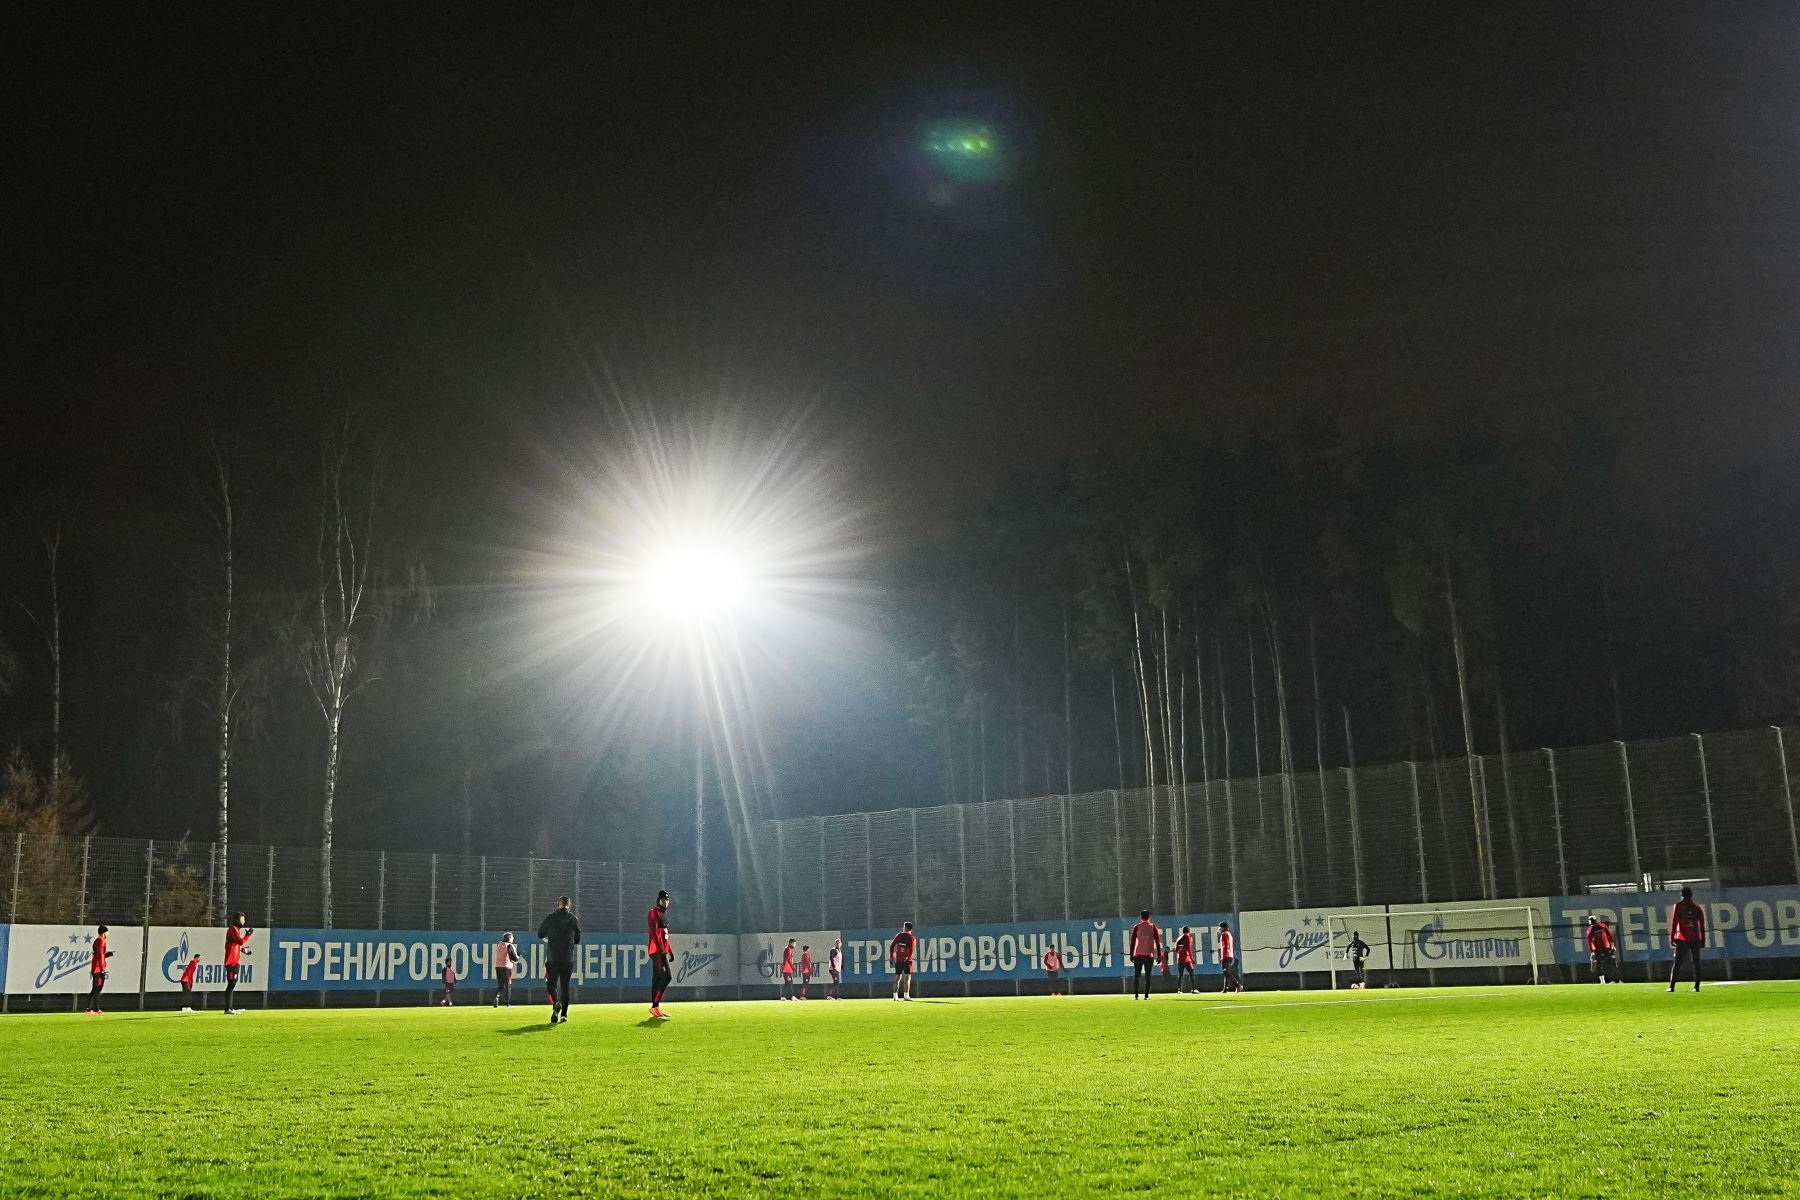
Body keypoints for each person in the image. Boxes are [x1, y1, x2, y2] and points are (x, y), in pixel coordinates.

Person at [538, 895, 581, 1024]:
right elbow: (577, 940)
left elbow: (540, 934)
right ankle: (564, 1015)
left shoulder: (551, 918)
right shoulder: (574, 919)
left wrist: (551, 935)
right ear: (569, 905)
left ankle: (556, 1003)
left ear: (558, 904)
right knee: (565, 986)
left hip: (553, 957)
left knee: (551, 984)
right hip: (567, 958)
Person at [1668, 887, 1706, 993]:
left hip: (1682, 938)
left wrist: (1672, 937)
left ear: (1682, 895)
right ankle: (1697, 986)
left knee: (1677, 963)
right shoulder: (1696, 907)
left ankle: (1671, 987)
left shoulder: (1678, 906)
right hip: (1695, 939)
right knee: (1696, 963)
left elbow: (1674, 923)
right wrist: (1703, 940)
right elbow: (1702, 926)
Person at [648, 890, 674, 1019]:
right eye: (664, 899)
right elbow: (656, 934)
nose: (666, 902)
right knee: (667, 976)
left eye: (667, 900)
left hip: (661, 951)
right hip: (657, 951)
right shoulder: (654, 913)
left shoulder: (663, 914)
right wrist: (662, 950)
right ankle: (655, 1006)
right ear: (658, 900)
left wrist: (669, 950)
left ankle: (655, 1008)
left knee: (657, 979)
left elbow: (665, 936)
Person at [1128, 910, 1163, 1000]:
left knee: (1137, 975)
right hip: (1149, 955)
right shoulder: (1153, 927)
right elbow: (1158, 943)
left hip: (1138, 954)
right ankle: (1146, 996)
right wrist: (1159, 955)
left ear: (1141, 917)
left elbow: (1132, 942)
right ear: (1149, 917)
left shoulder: (1137, 927)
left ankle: (1136, 995)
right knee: (1148, 976)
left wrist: (1131, 954)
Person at [223, 913, 253, 1015]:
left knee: (232, 983)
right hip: (231, 962)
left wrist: (244, 951)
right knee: (231, 984)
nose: (244, 921)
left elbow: (236, 945)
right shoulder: (232, 929)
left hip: (235, 961)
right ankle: (228, 1009)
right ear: (237, 919)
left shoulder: (236, 930)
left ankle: (230, 1007)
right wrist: (248, 935)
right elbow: (240, 941)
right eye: (242, 919)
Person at [85, 924, 114, 1014]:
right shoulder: (101, 941)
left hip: (97, 967)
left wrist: (107, 954)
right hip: (98, 969)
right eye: (107, 932)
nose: (108, 934)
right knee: (96, 988)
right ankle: (89, 1009)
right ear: (104, 933)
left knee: (98, 989)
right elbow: (100, 955)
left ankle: (97, 1009)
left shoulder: (98, 941)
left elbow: (99, 954)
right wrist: (102, 968)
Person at [889, 921, 918, 1001]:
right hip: (907, 961)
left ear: (905, 928)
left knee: (897, 977)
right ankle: (906, 996)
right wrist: (908, 958)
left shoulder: (899, 935)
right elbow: (912, 949)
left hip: (899, 960)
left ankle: (895, 996)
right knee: (907, 978)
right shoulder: (912, 938)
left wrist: (891, 956)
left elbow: (892, 945)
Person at [1586, 916, 1618, 984]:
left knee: (1599, 964)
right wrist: (1612, 946)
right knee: (1611, 962)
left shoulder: (1590, 929)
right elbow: (1610, 935)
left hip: (1599, 949)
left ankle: (1603, 981)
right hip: (1607, 947)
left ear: (1590, 921)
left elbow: (1589, 941)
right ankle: (1615, 980)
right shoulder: (1603, 925)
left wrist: (1592, 952)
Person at [493, 932, 521, 1007]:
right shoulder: (510, 946)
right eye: (512, 937)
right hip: (506, 968)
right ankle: (507, 1003)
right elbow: (515, 958)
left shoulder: (499, 944)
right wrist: (519, 956)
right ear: (509, 938)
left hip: (498, 967)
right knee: (508, 984)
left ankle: (497, 997)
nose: (513, 938)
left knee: (500, 985)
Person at [1218, 921, 1244, 994]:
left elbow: (1225, 947)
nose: (1219, 929)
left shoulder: (1224, 934)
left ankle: (1238, 985)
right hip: (1230, 955)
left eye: (1220, 927)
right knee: (1226, 973)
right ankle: (1225, 989)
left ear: (1223, 928)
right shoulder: (1229, 934)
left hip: (1226, 956)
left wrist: (1223, 957)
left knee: (1226, 973)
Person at [1173, 927, 1197, 993]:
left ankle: (1179, 990)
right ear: (1189, 931)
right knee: (1191, 972)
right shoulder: (1188, 937)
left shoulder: (1178, 938)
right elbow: (1189, 949)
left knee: (1180, 975)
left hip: (1180, 959)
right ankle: (1193, 989)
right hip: (1187, 958)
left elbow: (1176, 950)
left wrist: (1180, 952)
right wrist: (1192, 959)